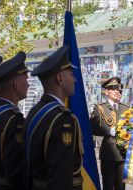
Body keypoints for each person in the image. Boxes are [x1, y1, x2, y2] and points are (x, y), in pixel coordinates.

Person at [24, 45, 83, 190]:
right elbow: (61, 176)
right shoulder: (62, 119)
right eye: (71, 74)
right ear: (60, 78)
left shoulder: (35, 111)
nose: (75, 80)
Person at [0, 51, 29, 190]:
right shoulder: (13, 120)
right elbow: (16, 168)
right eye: (25, 80)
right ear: (15, 84)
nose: (28, 85)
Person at [90, 76, 129, 190]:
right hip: (108, 153)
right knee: (108, 186)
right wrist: (109, 130)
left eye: (118, 88)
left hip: (123, 154)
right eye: (113, 88)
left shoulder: (126, 108)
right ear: (106, 92)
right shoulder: (100, 108)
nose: (117, 91)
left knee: (121, 186)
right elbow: (93, 127)